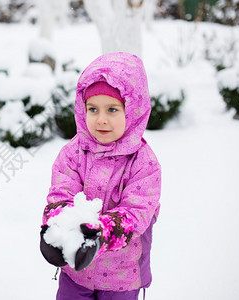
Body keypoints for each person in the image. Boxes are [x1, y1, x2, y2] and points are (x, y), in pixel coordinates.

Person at [40, 52, 161, 300]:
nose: (101, 119)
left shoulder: (144, 163)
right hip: (75, 272)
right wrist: (55, 226)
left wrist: (99, 235)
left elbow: (135, 213)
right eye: (93, 109)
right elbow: (61, 194)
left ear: (133, 110)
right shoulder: (73, 153)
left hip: (122, 278)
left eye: (112, 109)